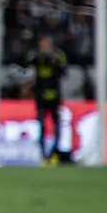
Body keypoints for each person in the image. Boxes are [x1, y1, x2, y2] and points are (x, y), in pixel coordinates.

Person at [31, 34, 68, 163]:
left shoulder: (58, 55)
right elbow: (29, 62)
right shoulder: (36, 54)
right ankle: (42, 153)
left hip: (54, 95)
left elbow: (64, 71)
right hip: (40, 95)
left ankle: (55, 151)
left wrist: (53, 60)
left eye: (45, 43)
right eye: (42, 44)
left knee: (56, 123)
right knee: (41, 123)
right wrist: (40, 56)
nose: (43, 46)